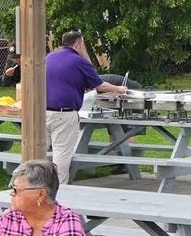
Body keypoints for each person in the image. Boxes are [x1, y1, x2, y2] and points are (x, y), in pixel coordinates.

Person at [46, 30, 129, 187]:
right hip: (64, 114)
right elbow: (100, 85)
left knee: (39, 153)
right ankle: (59, 189)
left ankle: (34, 186)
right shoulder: (79, 61)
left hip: (41, 112)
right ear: (79, 44)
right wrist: (119, 89)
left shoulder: (49, 57)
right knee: (61, 155)